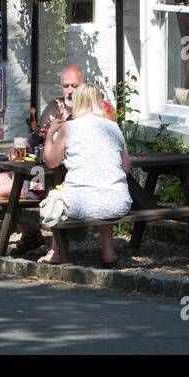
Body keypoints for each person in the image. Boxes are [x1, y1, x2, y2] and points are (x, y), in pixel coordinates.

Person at [0, 64, 113, 255]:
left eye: (74, 86)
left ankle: (57, 245)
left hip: (73, 183)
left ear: (83, 85)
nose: (69, 91)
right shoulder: (54, 106)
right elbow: (35, 136)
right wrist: (23, 147)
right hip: (40, 179)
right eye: (65, 86)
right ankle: (31, 234)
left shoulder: (92, 113)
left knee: (43, 191)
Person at [38, 83, 132, 267]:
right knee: (104, 188)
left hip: (80, 205)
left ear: (77, 102)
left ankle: (57, 254)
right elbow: (126, 167)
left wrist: (50, 133)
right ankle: (108, 254)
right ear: (99, 102)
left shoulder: (69, 128)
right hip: (118, 203)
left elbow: (50, 161)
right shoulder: (114, 128)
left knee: (57, 194)